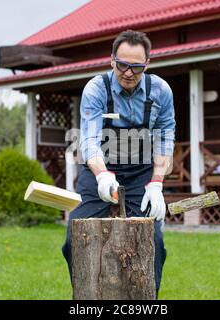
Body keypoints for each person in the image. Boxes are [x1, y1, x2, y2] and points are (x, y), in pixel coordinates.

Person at [62, 29, 176, 296]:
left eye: (136, 67)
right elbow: (89, 138)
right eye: (123, 65)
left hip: (141, 172)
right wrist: (102, 175)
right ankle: (87, 299)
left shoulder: (160, 91)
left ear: (147, 64)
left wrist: (157, 183)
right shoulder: (96, 89)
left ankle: (146, 299)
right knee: (72, 240)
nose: (128, 73)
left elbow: (164, 138)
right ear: (112, 60)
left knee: (154, 240)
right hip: (98, 168)